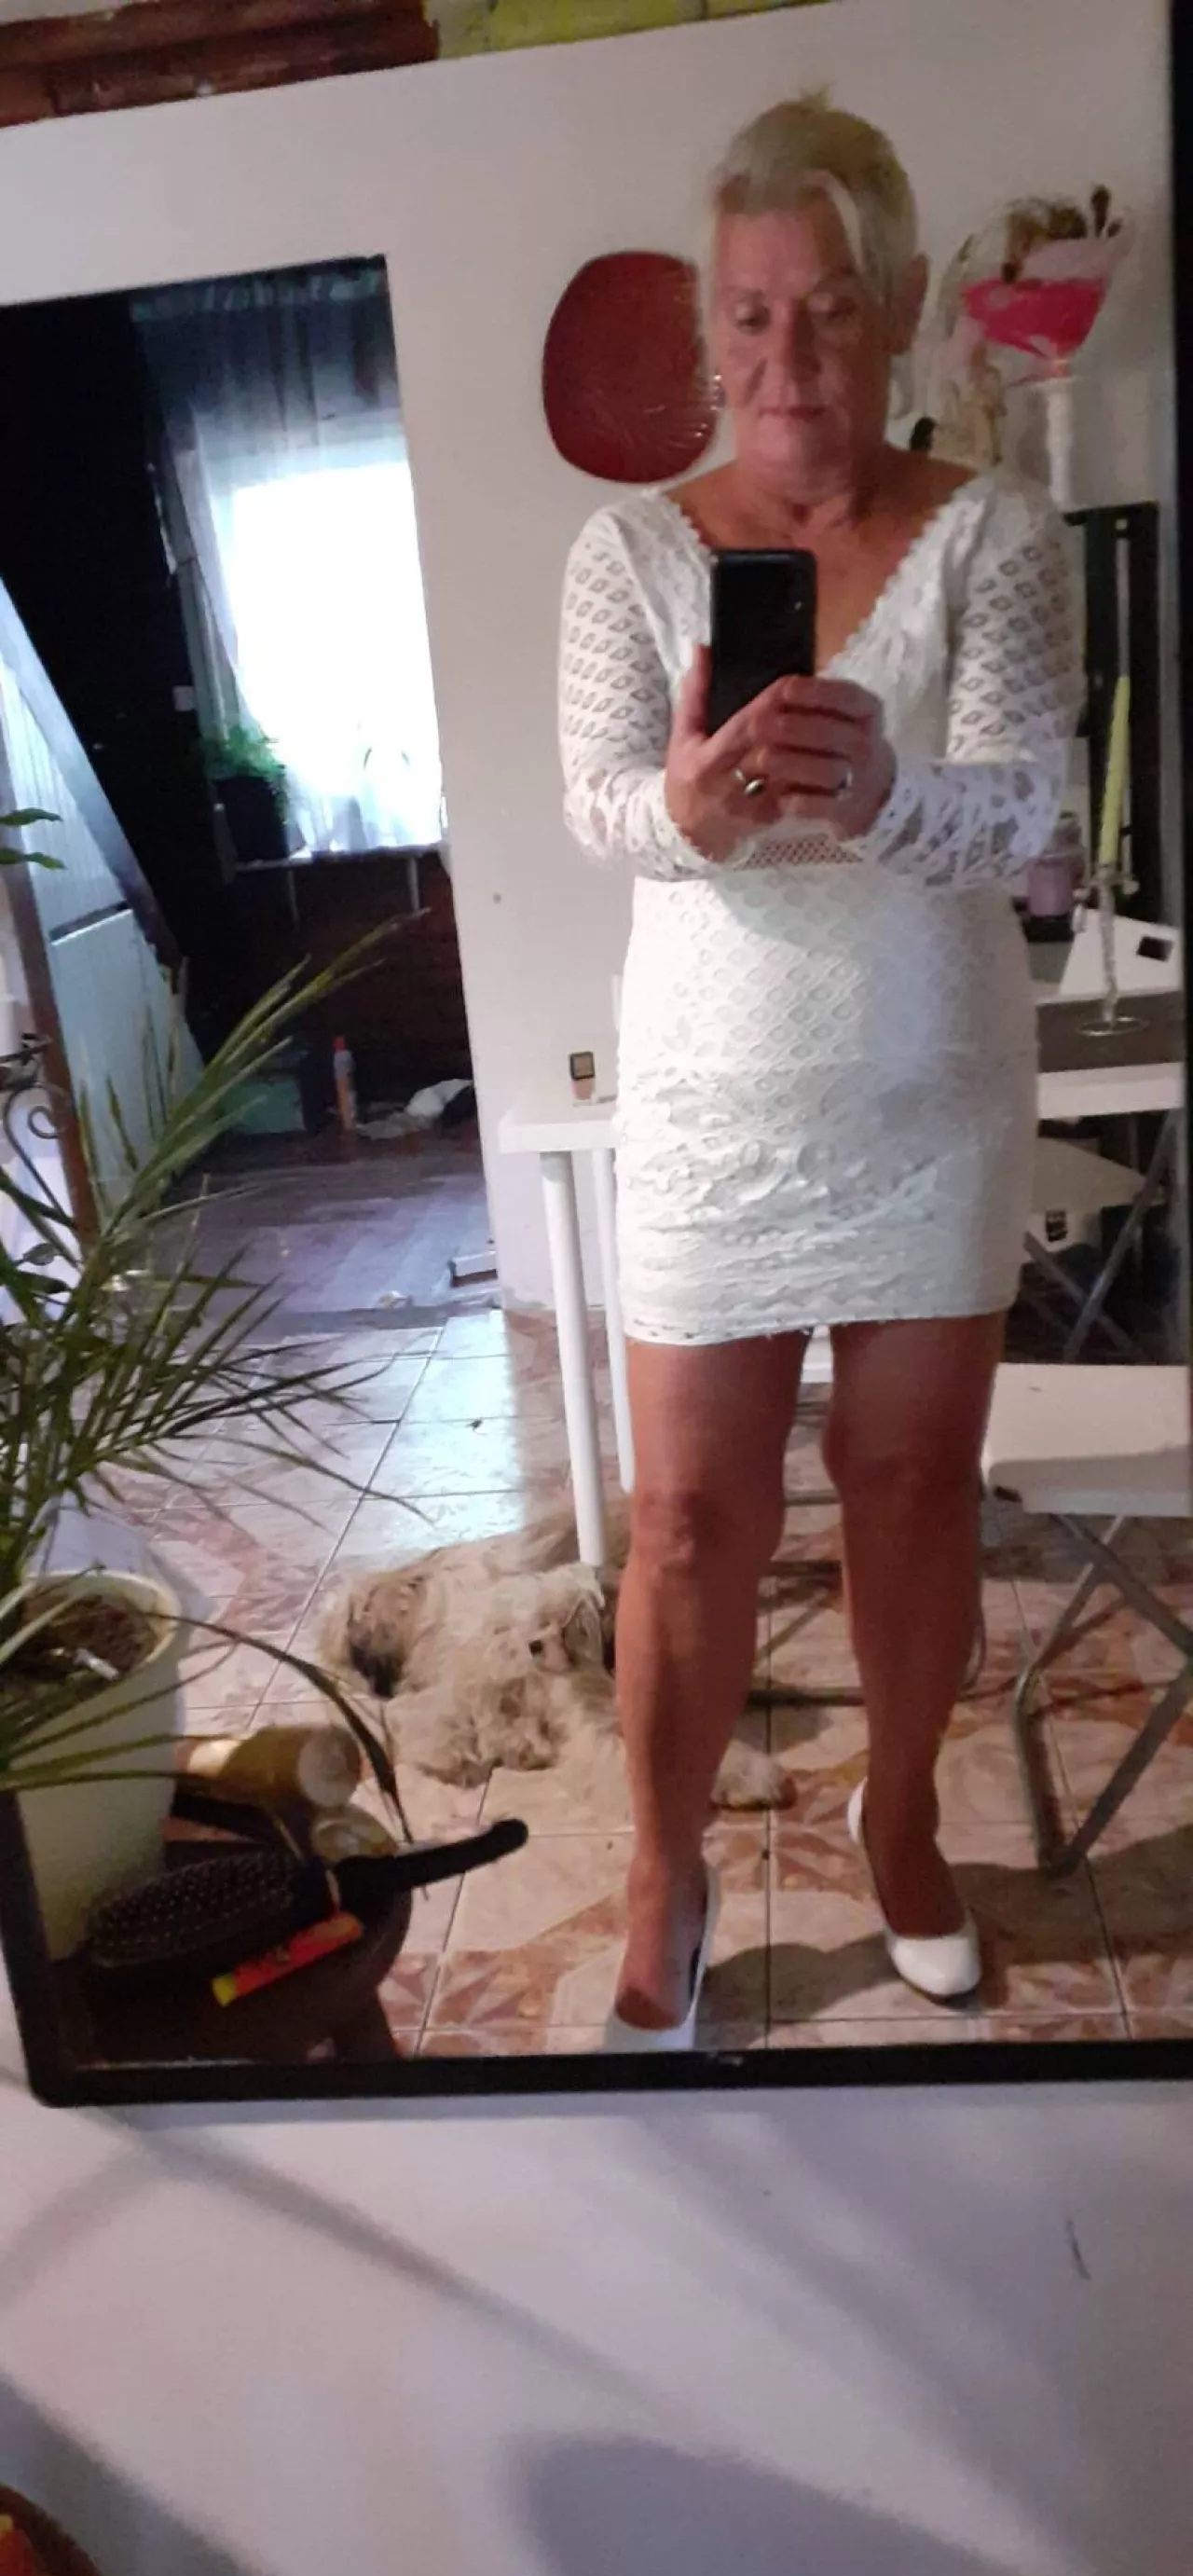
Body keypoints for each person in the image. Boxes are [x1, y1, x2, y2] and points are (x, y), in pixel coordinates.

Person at [557, 93, 1079, 2047]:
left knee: (911, 1488)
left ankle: (903, 1815)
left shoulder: (998, 531)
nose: (789, 356)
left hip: (932, 1099)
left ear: (904, 307)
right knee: (689, 1523)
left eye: (833, 309)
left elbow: (1031, 817)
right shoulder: (625, 550)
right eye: (752, 312)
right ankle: (663, 1861)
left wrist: (882, 792)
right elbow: (597, 804)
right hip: (713, 1114)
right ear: (714, 326)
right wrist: (691, 807)